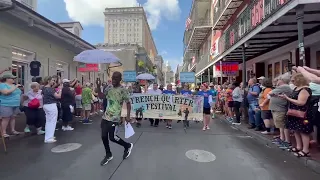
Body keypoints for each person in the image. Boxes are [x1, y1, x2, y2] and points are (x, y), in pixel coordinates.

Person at [100, 72, 133, 166]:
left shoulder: (123, 90)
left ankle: (127, 146)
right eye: (113, 78)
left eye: (116, 78)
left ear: (120, 79)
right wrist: (98, 87)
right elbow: (102, 96)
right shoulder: (109, 87)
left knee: (112, 137)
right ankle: (108, 154)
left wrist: (127, 116)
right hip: (106, 116)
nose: (113, 80)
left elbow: (128, 103)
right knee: (103, 136)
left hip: (115, 117)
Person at [279, 73, 313, 156]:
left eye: (293, 80)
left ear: (298, 80)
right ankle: (298, 146)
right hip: (294, 113)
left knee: (303, 131)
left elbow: (301, 103)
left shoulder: (304, 89)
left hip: (303, 113)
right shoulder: (297, 88)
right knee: (296, 130)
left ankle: (305, 150)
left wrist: (287, 98)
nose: (292, 81)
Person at [268, 74, 292, 148]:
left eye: (278, 80)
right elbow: (270, 95)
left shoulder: (284, 87)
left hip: (280, 109)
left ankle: (287, 141)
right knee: (280, 126)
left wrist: (274, 95)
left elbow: (270, 93)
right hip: (277, 108)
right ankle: (282, 139)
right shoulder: (281, 87)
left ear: (282, 80)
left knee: (283, 125)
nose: (277, 81)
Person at [42, 76, 61, 143]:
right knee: (52, 122)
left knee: (48, 121)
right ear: (48, 81)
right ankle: (49, 138)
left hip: (46, 105)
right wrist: (60, 90)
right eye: (52, 80)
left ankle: (49, 136)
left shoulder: (44, 88)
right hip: (51, 105)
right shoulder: (50, 89)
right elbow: (58, 96)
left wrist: (59, 80)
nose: (53, 82)